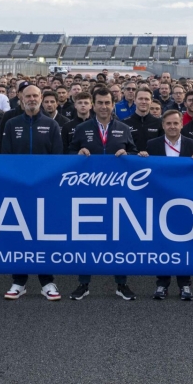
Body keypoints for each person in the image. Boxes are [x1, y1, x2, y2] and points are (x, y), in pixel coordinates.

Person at [69, 86, 138, 301]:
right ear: (93, 104)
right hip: (89, 192)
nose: (104, 106)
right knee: (87, 237)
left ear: (112, 104)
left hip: (118, 193)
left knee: (119, 237)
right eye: (99, 102)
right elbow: (69, 153)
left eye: (107, 102)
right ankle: (83, 283)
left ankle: (121, 283)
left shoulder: (124, 128)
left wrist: (128, 154)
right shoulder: (82, 129)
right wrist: (78, 153)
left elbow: (135, 153)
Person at [0, 83, 64, 300]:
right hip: (18, 190)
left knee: (44, 236)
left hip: (44, 190)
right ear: (20, 97)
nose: (33, 99)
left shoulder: (51, 125)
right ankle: (19, 281)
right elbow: (5, 157)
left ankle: (47, 282)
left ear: (41, 97)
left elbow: (57, 160)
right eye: (29, 95)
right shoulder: (11, 123)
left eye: (36, 95)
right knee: (18, 235)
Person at [143, 109, 193, 300]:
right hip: (160, 201)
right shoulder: (152, 145)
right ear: (163, 125)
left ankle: (185, 284)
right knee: (162, 243)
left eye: (176, 123)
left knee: (184, 242)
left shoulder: (192, 144)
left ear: (181, 124)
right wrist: (141, 157)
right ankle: (162, 283)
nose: (172, 127)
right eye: (168, 123)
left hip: (184, 201)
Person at [125, 87, 163, 154]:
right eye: (140, 99)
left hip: (152, 162)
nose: (143, 102)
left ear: (151, 101)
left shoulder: (160, 123)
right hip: (132, 162)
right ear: (134, 100)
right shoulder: (125, 123)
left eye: (146, 99)